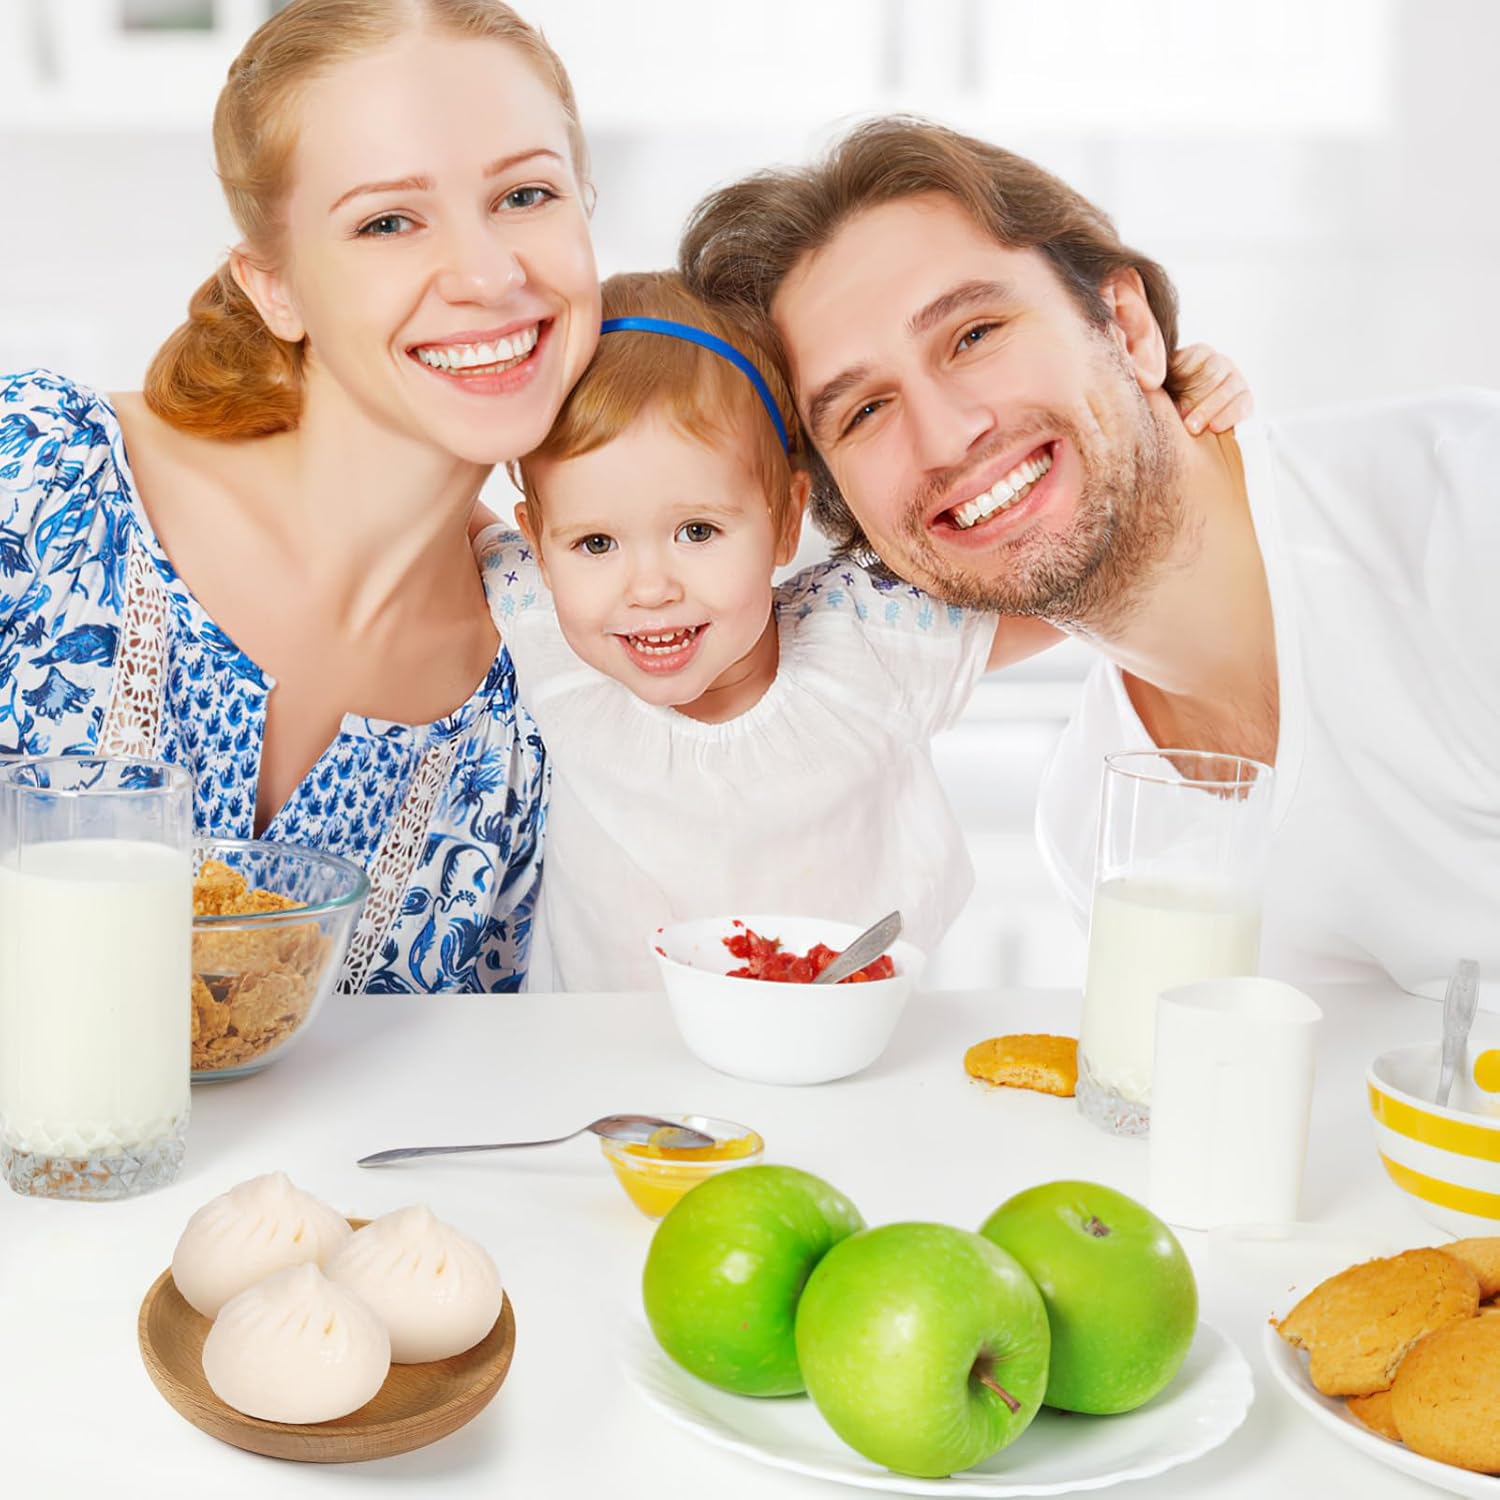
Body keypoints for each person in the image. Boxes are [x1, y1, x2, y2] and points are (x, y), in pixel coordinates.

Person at [679, 116, 1500, 1003]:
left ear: (1128, 327)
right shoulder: (1099, 833)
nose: (947, 436)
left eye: (974, 335)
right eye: (865, 412)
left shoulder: (1466, 512)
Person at [0, 0, 602, 991]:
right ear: (273, 286)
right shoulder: (34, 479)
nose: (489, 275)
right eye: (388, 221)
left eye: (526, 195)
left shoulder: (549, 699)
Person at [479, 270, 1247, 990]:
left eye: (698, 531)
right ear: (538, 543)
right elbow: (416, 502)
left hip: (849, 1060)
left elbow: (1089, 567)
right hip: (593, 1073)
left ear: (786, 520)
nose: (649, 589)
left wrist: (1167, 420)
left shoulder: (873, 634)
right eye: (595, 544)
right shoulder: (540, 616)